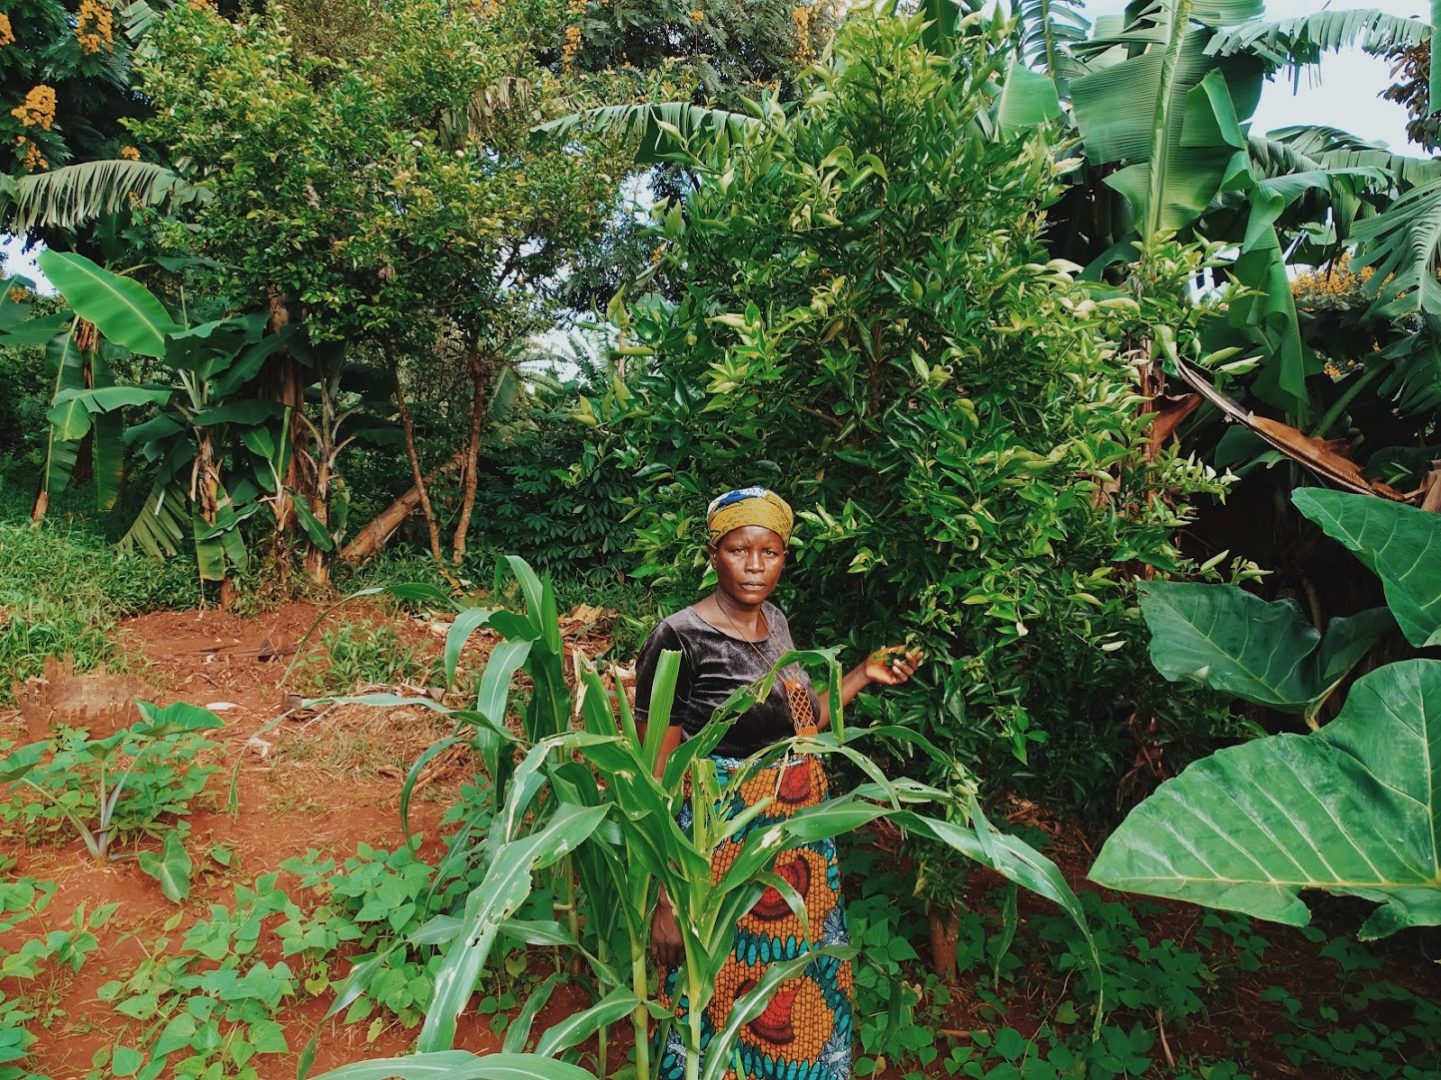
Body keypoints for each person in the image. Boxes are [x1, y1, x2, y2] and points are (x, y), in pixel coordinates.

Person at [633, 486, 921, 1080]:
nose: (756, 566)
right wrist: (665, 899)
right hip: (720, 862)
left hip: (796, 854)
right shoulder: (679, 639)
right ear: (714, 553)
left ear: (785, 556)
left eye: (770, 551)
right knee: (719, 994)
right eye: (740, 550)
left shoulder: (778, 623)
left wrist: (862, 674)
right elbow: (654, 776)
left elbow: (801, 725)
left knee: (793, 988)